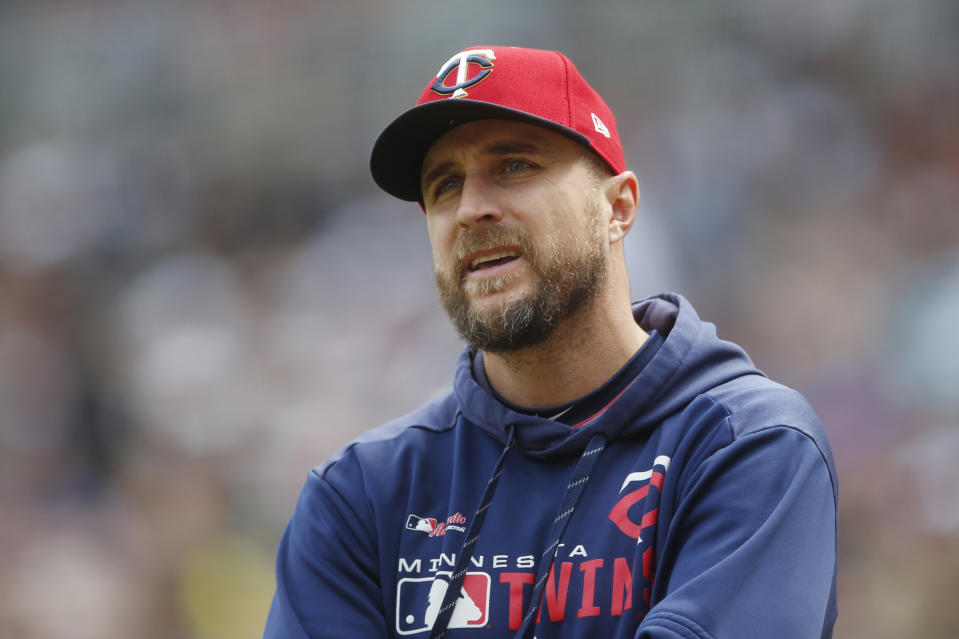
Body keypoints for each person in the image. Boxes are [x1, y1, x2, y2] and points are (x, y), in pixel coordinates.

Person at [263, 45, 838, 639]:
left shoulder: (745, 444)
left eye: (514, 166)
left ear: (617, 208)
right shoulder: (361, 493)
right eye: (444, 185)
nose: (471, 209)